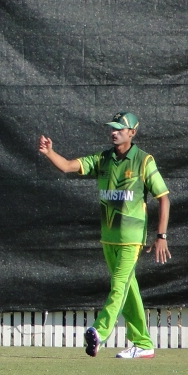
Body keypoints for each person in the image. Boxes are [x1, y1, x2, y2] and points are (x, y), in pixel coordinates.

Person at [38, 111, 170, 359]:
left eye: (120, 128)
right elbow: (68, 166)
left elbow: (163, 198)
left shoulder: (143, 160)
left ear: (133, 132)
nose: (114, 132)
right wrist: (50, 153)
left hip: (132, 240)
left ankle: (99, 332)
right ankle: (143, 342)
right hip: (109, 239)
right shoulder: (103, 159)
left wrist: (161, 236)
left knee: (118, 287)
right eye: (112, 128)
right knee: (128, 289)